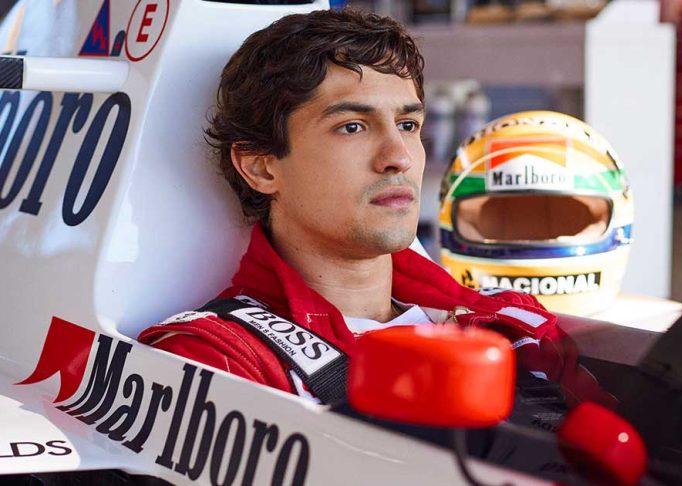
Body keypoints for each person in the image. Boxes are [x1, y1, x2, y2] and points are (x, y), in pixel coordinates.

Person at [138, 8, 610, 406]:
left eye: (407, 125)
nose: (399, 157)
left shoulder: (511, 322)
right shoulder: (216, 359)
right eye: (352, 127)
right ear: (261, 167)